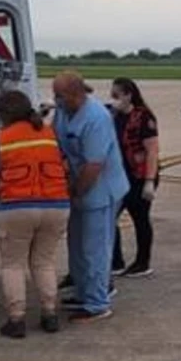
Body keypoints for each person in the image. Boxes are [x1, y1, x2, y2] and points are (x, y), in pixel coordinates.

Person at [0, 90, 71, 339]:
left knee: (13, 265)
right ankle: (50, 314)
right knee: (44, 262)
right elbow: (64, 167)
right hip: (56, 205)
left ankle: (16, 319)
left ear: (5, 115)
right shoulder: (49, 135)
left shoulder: (1, 139)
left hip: (16, 207)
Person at [52, 71, 130, 322]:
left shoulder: (97, 118)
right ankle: (83, 292)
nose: (56, 100)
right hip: (76, 186)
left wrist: (75, 191)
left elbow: (93, 166)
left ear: (76, 94)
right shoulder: (64, 112)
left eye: (60, 95)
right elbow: (56, 143)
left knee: (94, 248)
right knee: (76, 244)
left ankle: (97, 303)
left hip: (99, 190)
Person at [109, 77, 160, 278]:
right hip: (122, 175)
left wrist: (149, 181)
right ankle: (116, 261)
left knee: (140, 218)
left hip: (140, 176)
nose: (113, 100)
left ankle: (143, 262)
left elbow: (152, 151)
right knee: (109, 217)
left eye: (116, 95)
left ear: (129, 95)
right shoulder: (114, 115)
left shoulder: (144, 117)